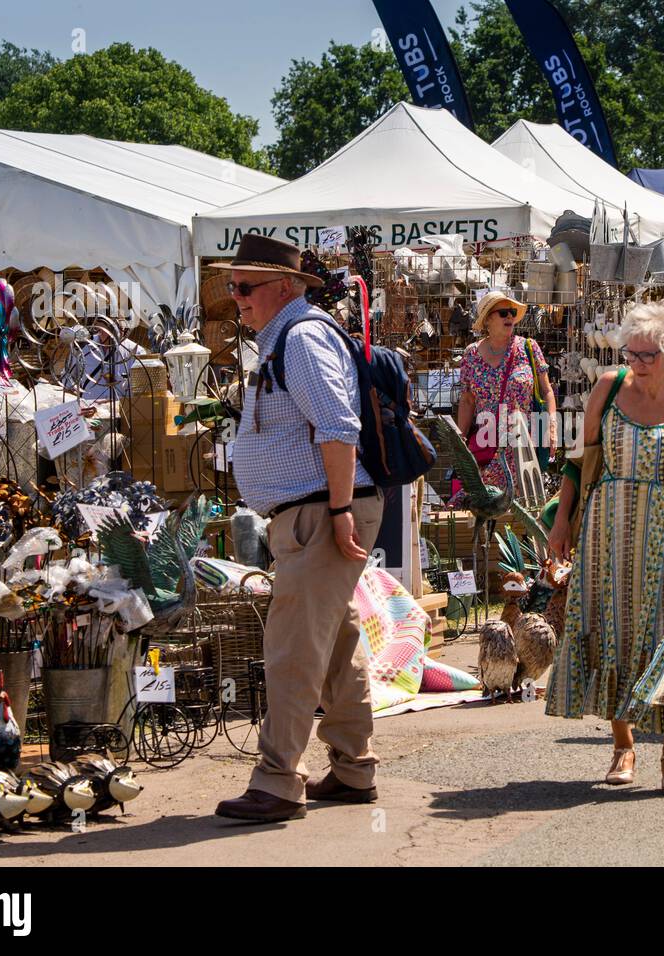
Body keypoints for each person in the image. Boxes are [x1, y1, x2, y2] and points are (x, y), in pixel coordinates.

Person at [213, 235, 384, 822]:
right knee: (334, 642)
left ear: (284, 287)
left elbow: (338, 427)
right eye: (231, 286)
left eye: (245, 286)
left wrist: (338, 513)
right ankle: (354, 767)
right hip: (317, 510)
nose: (236, 297)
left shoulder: (301, 336)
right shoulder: (289, 336)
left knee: (291, 648)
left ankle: (278, 780)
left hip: (321, 511)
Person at [546, 301, 664, 793]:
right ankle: (622, 748)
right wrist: (561, 522)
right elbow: (578, 461)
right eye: (632, 353)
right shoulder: (608, 389)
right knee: (616, 630)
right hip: (607, 530)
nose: (637, 363)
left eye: (648, 355)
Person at [450, 291, 557, 503]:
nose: (510, 317)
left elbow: (547, 391)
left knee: (521, 509)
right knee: (478, 506)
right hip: (487, 447)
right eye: (503, 313)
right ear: (488, 318)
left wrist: (552, 424)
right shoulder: (471, 354)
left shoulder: (528, 348)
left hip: (523, 449)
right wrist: (460, 441)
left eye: (513, 312)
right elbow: (467, 400)